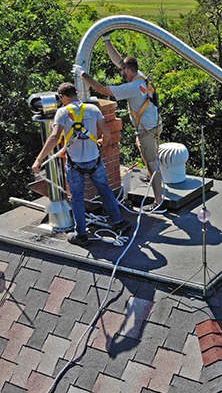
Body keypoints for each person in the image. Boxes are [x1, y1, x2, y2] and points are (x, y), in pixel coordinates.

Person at [32, 82, 130, 246]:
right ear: (76, 93)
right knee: (105, 190)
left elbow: (54, 137)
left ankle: (82, 235)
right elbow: (106, 132)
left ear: (62, 97)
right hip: (94, 160)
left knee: (77, 199)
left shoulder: (62, 113)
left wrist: (39, 159)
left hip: (75, 163)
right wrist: (103, 142)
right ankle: (118, 223)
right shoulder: (92, 109)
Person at [74, 35, 164, 211]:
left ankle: (159, 202)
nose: (120, 73)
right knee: (149, 160)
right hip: (152, 124)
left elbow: (101, 89)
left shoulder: (130, 88)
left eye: (122, 71)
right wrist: (107, 40)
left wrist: (82, 74)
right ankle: (153, 183)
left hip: (147, 130)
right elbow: (118, 61)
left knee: (152, 164)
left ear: (128, 71)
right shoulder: (140, 77)